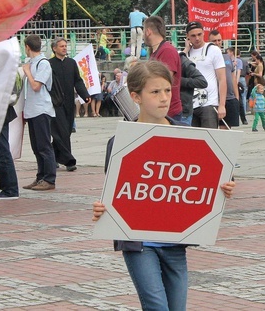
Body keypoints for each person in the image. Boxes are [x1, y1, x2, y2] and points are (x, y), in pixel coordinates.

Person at [92, 61, 236, 310]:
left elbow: (197, 182)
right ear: (135, 96)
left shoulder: (187, 134)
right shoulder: (120, 142)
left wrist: (223, 188)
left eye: (168, 91)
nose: (164, 98)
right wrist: (102, 210)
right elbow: (115, 191)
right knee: (157, 307)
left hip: (175, 242)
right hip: (138, 244)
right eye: (155, 92)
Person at [49, 37, 91, 171]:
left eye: (65, 46)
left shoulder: (71, 63)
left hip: (68, 102)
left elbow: (77, 81)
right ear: (54, 48)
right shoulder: (49, 64)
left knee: (66, 131)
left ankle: (54, 157)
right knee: (60, 130)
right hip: (55, 103)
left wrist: (85, 95)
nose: (64, 48)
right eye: (61, 46)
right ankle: (69, 161)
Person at [22, 34, 57, 191]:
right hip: (31, 110)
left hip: (41, 109)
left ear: (28, 47)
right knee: (36, 146)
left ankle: (49, 178)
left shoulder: (43, 64)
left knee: (44, 146)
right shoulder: (30, 63)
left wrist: (28, 72)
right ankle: (40, 176)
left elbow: (36, 86)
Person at [184, 22, 226, 129]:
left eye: (199, 34)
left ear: (203, 33)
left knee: (209, 139)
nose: (197, 38)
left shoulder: (213, 50)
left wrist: (222, 105)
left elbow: (222, 79)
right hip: (190, 104)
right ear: (187, 37)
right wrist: (185, 50)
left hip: (209, 103)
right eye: (193, 36)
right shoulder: (184, 54)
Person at [144, 15, 183, 120]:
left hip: (169, 112)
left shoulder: (167, 51)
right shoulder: (156, 52)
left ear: (148, 31)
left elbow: (164, 82)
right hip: (160, 110)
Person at [209, 31, 239, 129]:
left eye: (219, 40)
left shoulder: (227, 57)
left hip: (230, 98)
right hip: (215, 99)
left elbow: (233, 77)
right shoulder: (208, 57)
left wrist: (237, 97)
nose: (217, 43)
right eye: (214, 41)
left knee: (226, 129)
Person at [178, 51, 207, 126]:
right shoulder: (156, 58)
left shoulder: (183, 61)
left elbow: (202, 82)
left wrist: (178, 80)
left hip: (184, 111)